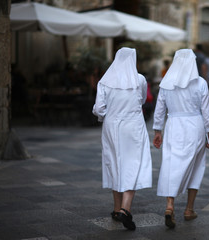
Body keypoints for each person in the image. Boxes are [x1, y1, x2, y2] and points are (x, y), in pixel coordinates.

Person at [153, 49, 209, 229]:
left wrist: (158, 131)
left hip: (173, 126)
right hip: (195, 126)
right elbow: (206, 111)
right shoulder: (200, 83)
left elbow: (159, 110)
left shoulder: (166, 83)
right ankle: (189, 209)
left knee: (171, 163)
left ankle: (169, 205)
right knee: (196, 165)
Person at [92, 47, 152, 231]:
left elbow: (98, 108)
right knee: (133, 163)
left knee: (114, 162)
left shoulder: (105, 81)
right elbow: (142, 100)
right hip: (133, 125)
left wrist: (107, 116)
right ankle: (125, 209)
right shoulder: (139, 79)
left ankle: (117, 208)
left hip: (112, 126)